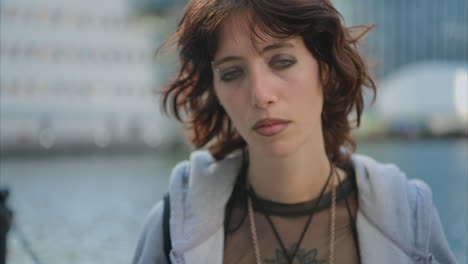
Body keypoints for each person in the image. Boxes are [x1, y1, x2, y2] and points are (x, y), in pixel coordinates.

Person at [132, 0, 456, 263]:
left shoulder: (410, 217)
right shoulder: (172, 227)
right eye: (232, 73)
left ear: (325, 71)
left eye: (282, 61)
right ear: (216, 90)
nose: (260, 94)